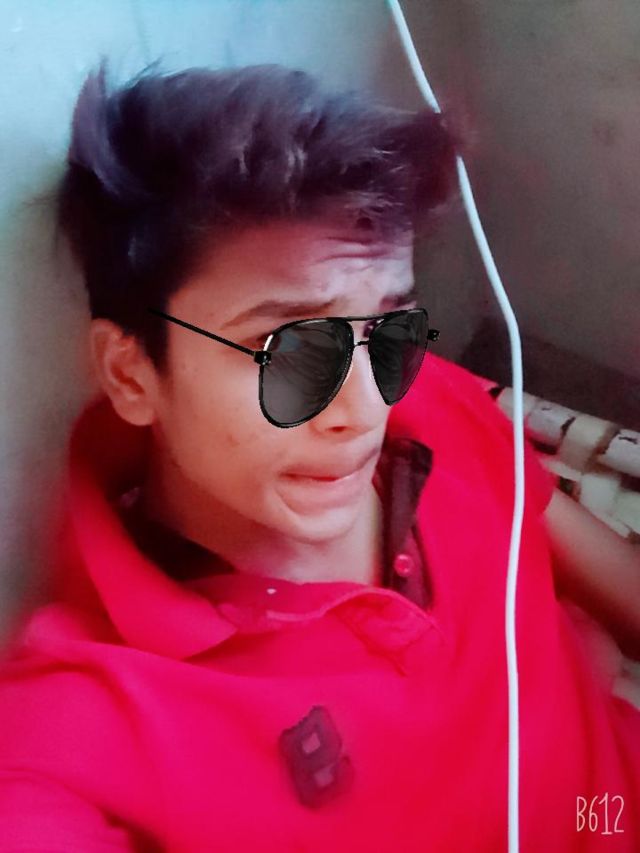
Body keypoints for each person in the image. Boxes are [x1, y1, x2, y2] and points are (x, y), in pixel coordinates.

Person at [0, 60, 638, 852]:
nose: (366, 409)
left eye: (387, 325)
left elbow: (589, 562)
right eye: (288, 347)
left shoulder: (427, 398)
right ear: (132, 376)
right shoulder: (80, 734)